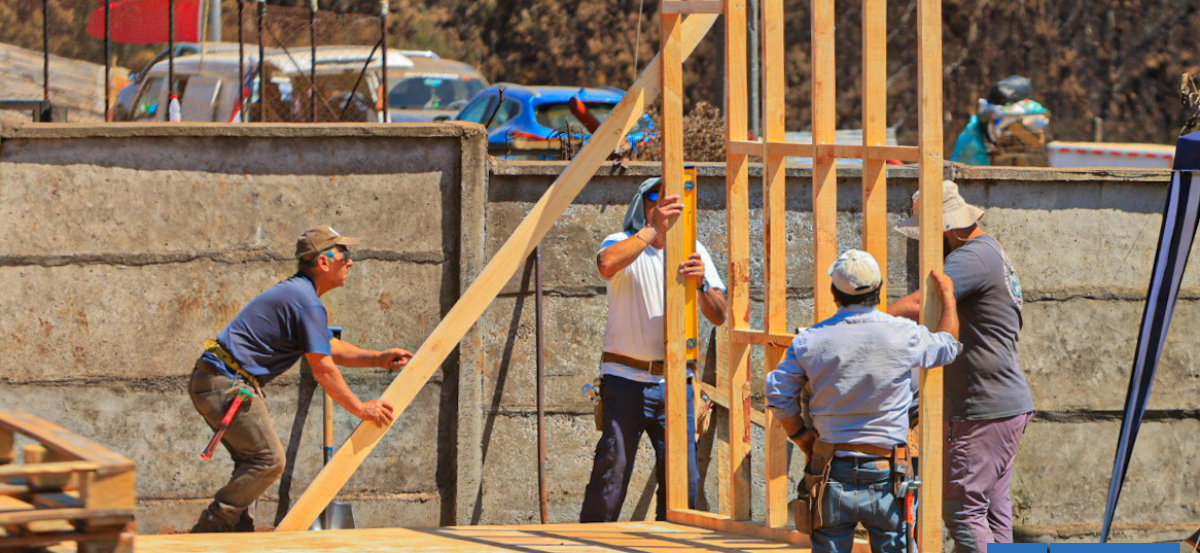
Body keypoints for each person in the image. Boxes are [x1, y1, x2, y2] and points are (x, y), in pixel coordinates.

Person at [188, 225, 413, 533]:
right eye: (344, 254)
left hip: (219, 379)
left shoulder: (301, 296)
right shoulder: (305, 301)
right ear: (323, 262)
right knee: (269, 460)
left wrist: (378, 358)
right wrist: (361, 408)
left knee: (253, 460)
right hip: (226, 383)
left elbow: (329, 347)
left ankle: (236, 529)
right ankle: (213, 526)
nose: (350, 262)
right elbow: (324, 369)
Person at [766, 250, 961, 553]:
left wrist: (801, 435)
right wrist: (948, 297)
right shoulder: (903, 334)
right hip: (888, 472)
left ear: (834, 293)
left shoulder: (810, 340)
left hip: (830, 469)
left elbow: (778, 393)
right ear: (879, 289)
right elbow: (948, 346)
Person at [888, 180, 1034, 553]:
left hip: (981, 409)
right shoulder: (990, 251)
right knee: (993, 513)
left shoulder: (970, 258)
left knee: (963, 510)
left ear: (946, 227)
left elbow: (922, 303)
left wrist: (867, 322)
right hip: (1002, 404)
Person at [580, 177, 728, 522]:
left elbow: (719, 315)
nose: (665, 208)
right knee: (611, 475)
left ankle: (672, 543)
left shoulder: (693, 250)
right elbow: (606, 264)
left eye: (671, 201)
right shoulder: (622, 241)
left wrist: (702, 284)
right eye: (656, 199)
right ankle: (592, 541)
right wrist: (652, 229)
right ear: (643, 205)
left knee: (684, 482)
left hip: (676, 381)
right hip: (625, 379)